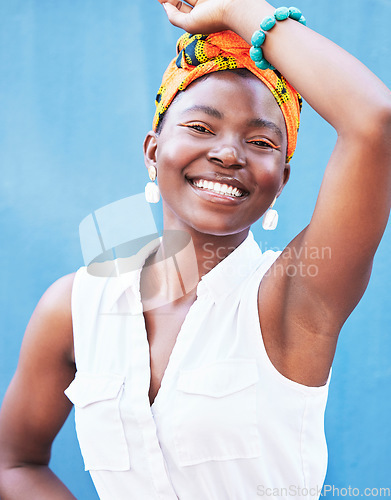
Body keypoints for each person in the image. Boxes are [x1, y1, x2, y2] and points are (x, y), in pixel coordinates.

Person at [0, 0, 390, 498]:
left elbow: (374, 121)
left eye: (262, 142)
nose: (228, 153)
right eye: (201, 128)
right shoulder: (76, 308)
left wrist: (238, 10)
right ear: (152, 150)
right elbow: (16, 463)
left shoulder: (295, 299)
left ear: (282, 180)